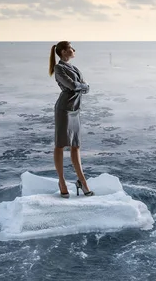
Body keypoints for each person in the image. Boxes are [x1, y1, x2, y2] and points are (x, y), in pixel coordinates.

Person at [48, 41, 94, 198]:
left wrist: (81, 85)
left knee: (76, 145)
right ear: (63, 52)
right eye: (70, 48)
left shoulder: (74, 68)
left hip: (75, 109)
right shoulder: (59, 68)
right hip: (63, 109)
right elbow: (74, 86)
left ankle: (82, 182)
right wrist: (81, 85)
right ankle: (61, 181)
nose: (74, 50)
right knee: (60, 145)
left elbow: (84, 87)